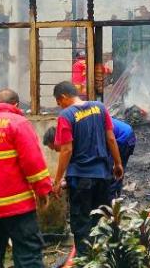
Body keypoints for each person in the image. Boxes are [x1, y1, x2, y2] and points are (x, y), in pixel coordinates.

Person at [0, 89, 52, 268]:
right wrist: (43, 190)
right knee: (28, 257)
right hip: (17, 207)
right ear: (16, 106)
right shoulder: (18, 123)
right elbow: (32, 161)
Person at [52, 81, 123, 256]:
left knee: (81, 223)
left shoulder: (66, 116)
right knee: (101, 220)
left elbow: (66, 149)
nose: (60, 107)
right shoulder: (100, 107)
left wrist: (57, 179)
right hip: (103, 176)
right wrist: (118, 163)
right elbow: (111, 138)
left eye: (59, 103)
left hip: (80, 178)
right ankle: (104, 260)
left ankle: (86, 261)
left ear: (63, 97)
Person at [43, 117, 136, 200]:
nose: (57, 152)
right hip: (117, 136)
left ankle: (111, 208)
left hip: (123, 137)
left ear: (57, 140)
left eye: (55, 149)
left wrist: (62, 182)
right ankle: (110, 202)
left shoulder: (75, 135)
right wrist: (65, 180)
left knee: (111, 175)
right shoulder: (71, 134)